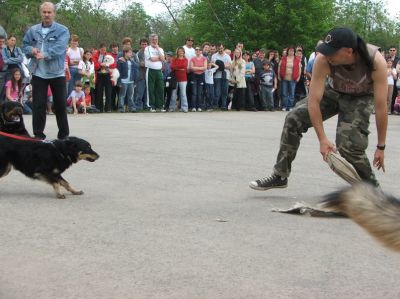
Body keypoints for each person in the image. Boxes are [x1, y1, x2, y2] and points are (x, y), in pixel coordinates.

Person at [249, 27, 388, 190]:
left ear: (349, 51)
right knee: (293, 118)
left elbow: (380, 107)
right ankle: (280, 175)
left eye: (332, 52)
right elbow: (314, 101)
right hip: (334, 91)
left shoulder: (375, 62)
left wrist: (381, 146)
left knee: (347, 145)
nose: (327, 56)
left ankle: (373, 190)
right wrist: (322, 139)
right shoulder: (323, 60)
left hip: (360, 97)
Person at [22, 1, 70, 139]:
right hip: (38, 73)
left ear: (54, 13)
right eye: (44, 12)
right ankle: (38, 135)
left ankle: (63, 135)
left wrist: (45, 54)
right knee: (38, 105)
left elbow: (60, 48)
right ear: (40, 13)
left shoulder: (62, 30)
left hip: (57, 73)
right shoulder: (33, 30)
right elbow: (25, 45)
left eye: (49, 12)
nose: (47, 14)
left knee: (60, 105)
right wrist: (32, 49)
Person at [144, 34, 165, 112]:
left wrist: (157, 49)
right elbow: (152, 59)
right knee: (151, 88)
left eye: (156, 39)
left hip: (159, 71)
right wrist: (160, 58)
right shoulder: (147, 48)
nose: (154, 41)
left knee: (160, 88)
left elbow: (163, 59)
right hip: (150, 70)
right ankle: (151, 106)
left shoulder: (161, 49)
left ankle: (160, 105)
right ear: (150, 40)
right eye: (153, 39)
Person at [92, 43, 115, 112]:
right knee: (99, 91)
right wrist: (100, 65)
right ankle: (99, 108)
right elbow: (95, 65)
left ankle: (108, 108)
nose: (103, 51)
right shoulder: (95, 56)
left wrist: (107, 65)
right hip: (99, 74)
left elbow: (113, 64)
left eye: (104, 50)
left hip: (107, 74)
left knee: (108, 91)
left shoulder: (109, 55)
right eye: (102, 50)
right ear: (99, 49)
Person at [278, 46, 301, 111]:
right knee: (284, 93)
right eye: (290, 51)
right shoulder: (283, 59)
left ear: (294, 52)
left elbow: (299, 69)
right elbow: (279, 67)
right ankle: (284, 106)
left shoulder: (297, 60)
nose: (291, 52)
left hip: (293, 79)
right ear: (287, 52)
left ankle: (290, 106)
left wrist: (298, 77)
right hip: (284, 78)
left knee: (291, 93)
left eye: (292, 51)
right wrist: (279, 76)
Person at [117, 46, 138, 113]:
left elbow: (136, 68)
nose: (131, 54)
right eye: (129, 53)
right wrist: (119, 81)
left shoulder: (132, 61)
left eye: (131, 53)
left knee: (130, 96)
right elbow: (118, 72)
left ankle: (131, 107)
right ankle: (121, 108)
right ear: (125, 53)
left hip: (131, 81)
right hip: (123, 81)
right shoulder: (121, 61)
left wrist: (135, 81)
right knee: (122, 95)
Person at [211, 43, 231, 110]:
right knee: (217, 92)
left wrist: (220, 65)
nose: (220, 50)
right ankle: (215, 105)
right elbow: (213, 65)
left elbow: (230, 66)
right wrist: (224, 65)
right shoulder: (214, 56)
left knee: (225, 91)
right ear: (217, 48)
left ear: (224, 48)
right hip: (217, 76)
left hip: (226, 75)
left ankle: (224, 106)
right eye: (219, 48)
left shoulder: (227, 56)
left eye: (221, 48)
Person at [169, 47, 189, 113]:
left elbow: (184, 66)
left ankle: (184, 108)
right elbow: (172, 67)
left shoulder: (186, 59)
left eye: (182, 51)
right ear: (177, 52)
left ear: (184, 52)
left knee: (183, 94)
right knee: (173, 93)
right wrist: (180, 68)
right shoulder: (174, 59)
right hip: (175, 78)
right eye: (179, 51)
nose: (181, 52)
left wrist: (177, 68)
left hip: (183, 78)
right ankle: (172, 107)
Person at [190, 46, 207, 111]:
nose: (198, 51)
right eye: (196, 50)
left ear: (201, 51)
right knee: (194, 92)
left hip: (201, 76)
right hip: (194, 76)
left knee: (200, 93)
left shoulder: (204, 58)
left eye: (199, 50)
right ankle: (194, 107)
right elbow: (191, 68)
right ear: (195, 51)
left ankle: (199, 107)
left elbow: (205, 68)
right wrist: (200, 67)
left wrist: (196, 67)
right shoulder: (192, 59)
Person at [135, 38, 148, 111]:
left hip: (148, 75)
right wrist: (150, 63)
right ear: (140, 45)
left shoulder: (149, 52)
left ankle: (146, 106)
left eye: (145, 44)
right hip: (141, 75)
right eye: (142, 44)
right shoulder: (138, 54)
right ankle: (138, 106)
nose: (144, 46)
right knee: (140, 93)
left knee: (147, 93)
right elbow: (141, 64)